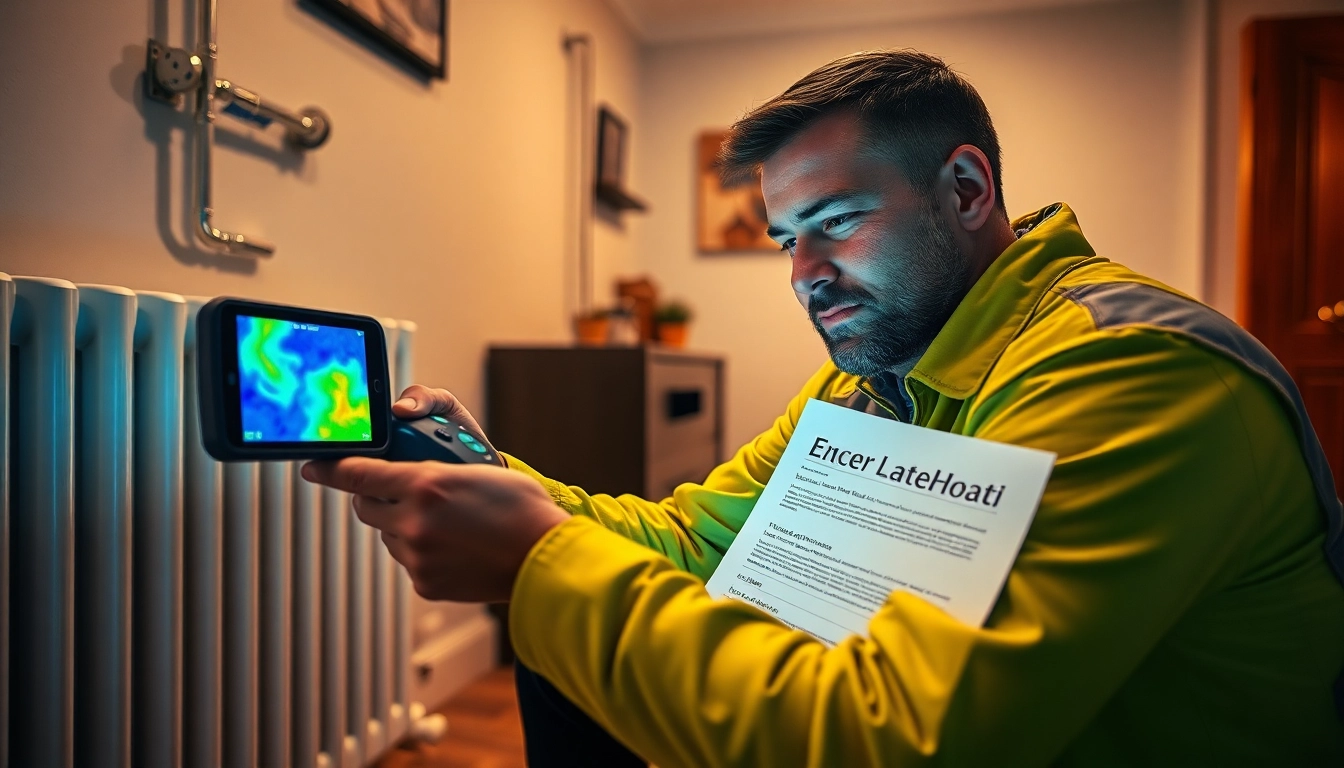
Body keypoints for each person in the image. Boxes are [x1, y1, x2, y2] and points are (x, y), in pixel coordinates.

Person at [303, 50, 1344, 766]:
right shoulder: (877, 374)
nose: (804, 274)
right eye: (787, 238)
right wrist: (503, 484)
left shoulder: (1134, 376)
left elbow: (900, 743)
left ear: (968, 189)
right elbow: (695, 535)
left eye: (837, 224)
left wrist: (536, 563)